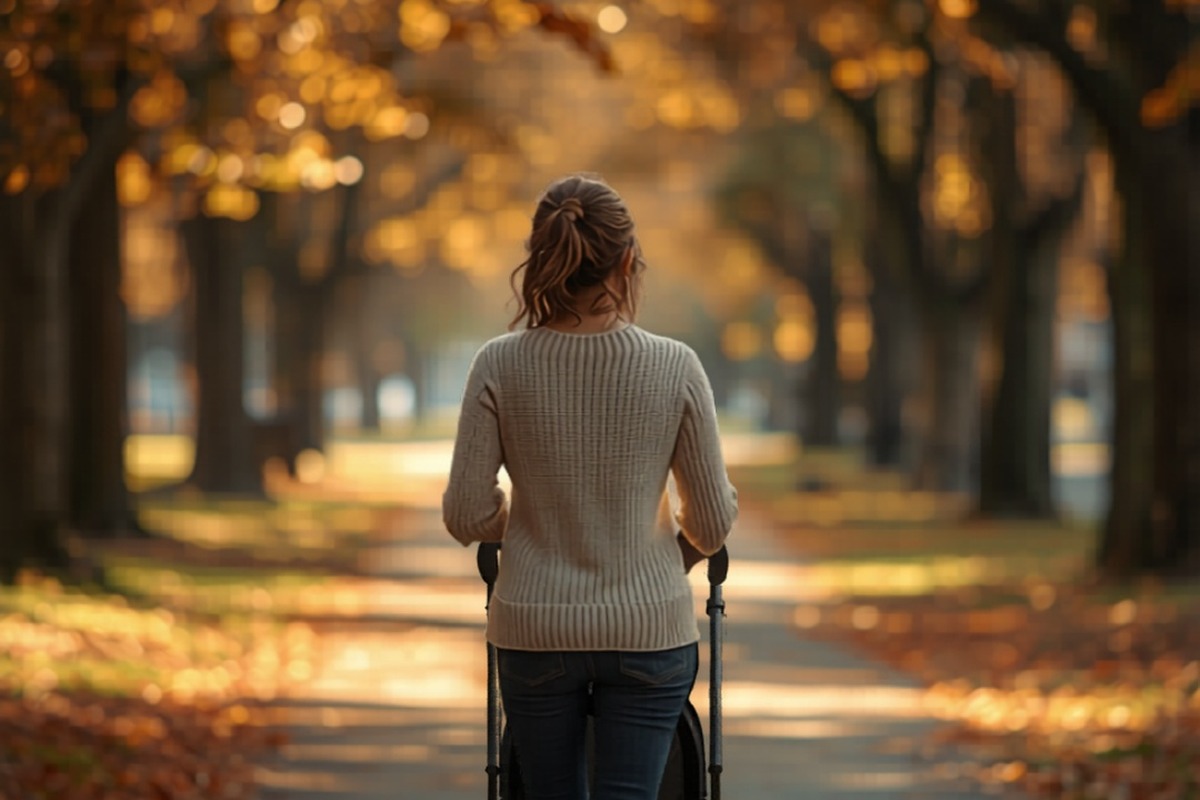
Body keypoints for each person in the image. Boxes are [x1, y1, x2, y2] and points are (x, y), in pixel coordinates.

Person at [443, 173, 738, 800]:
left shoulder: (498, 364)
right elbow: (711, 525)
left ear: (542, 257)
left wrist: (531, 524)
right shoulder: (676, 366)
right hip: (649, 631)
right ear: (628, 260)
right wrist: (662, 556)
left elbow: (465, 511)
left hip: (533, 630)